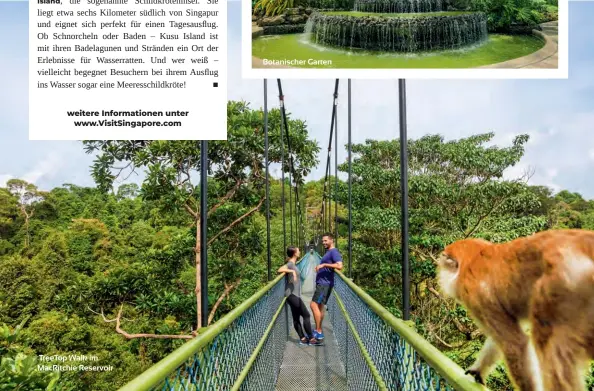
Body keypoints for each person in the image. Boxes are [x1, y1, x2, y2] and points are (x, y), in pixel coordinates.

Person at [278, 246, 320, 345]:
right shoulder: (290, 264)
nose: (300, 252)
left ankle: (302, 338)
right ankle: (311, 338)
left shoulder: (293, 263)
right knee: (306, 315)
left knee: (296, 317)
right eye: (298, 251)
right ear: (294, 253)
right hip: (292, 295)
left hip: (292, 295)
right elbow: (280, 269)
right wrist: (292, 271)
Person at [310, 233, 343, 341]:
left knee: (313, 305)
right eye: (322, 241)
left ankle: (318, 332)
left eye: (325, 241)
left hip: (324, 284)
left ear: (331, 240)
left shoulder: (334, 252)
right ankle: (318, 330)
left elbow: (339, 266)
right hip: (323, 283)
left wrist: (324, 265)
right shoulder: (328, 252)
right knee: (320, 307)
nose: (323, 243)